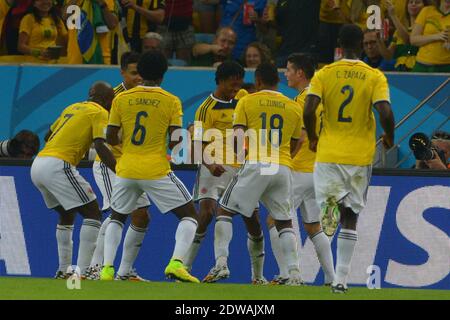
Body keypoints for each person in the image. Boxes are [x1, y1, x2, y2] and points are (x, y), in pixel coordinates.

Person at [304, 24, 395, 293]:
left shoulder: (324, 74)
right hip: (359, 156)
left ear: (339, 45)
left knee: (329, 209)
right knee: (351, 216)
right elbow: (385, 111)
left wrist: (312, 135)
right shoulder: (373, 75)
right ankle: (341, 280)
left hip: (329, 153)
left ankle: (330, 206)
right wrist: (389, 137)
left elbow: (309, 108)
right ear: (360, 45)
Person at [100, 50, 200, 283]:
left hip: (125, 168)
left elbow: (111, 136)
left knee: (117, 217)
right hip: (155, 168)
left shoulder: (121, 99)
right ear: (163, 75)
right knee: (189, 216)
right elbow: (176, 142)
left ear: (140, 73)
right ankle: (176, 263)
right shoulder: (171, 100)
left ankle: (106, 269)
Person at [205, 62, 305, 286]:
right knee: (284, 221)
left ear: (257, 81)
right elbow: (298, 139)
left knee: (224, 210)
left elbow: (238, 135)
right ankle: (295, 273)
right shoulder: (293, 106)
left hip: (257, 163)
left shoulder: (247, 101)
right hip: (282, 166)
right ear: (277, 82)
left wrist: (242, 161)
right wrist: (284, 158)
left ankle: (221, 263)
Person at [30, 82, 117, 279]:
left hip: (38, 164)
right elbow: (100, 146)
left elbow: (48, 135)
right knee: (93, 212)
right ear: (108, 100)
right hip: (58, 165)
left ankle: (63, 270)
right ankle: (83, 272)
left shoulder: (72, 107)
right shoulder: (100, 112)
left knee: (67, 214)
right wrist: (118, 170)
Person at [184, 61, 260, 281]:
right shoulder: (205, 109)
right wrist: (209, 164)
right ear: (220, 81)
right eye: (231, 84)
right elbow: (197, 144)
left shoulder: (243, 97)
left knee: (252, 219)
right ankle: (186, 266)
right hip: (213, 167)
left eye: (238, 84)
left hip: (240, 168)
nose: (235, 89)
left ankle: (258, 276)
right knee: (207, 214)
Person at [267, 53, 335, 285]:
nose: (285, 74)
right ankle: (331, 278)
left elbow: (300, 138)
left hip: (298, 170)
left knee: (275, 221)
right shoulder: (325, 99)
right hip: (320, 172)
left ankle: (287, 274)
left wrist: (285, 159)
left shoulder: (301, 102)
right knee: (314, 226)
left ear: (300, 73)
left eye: (288, 69)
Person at [86, 51, 151, 281]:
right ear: (122, 72)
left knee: (142, 216)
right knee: (117, 212)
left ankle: (125, 271)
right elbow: (99, 136)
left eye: (141, 73)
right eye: (133, 73)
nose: (138, 78)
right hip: (109, 164)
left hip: (133, 166)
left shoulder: (147, 96)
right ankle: (94, 267)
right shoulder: (110, 99)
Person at [377, 0, 429, 71]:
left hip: (418, 70)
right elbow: (388, 56)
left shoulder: (427, 29)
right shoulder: (398, 32)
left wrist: (393, 15)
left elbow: (408, 40)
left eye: (417, 2)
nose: (413, 4)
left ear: (425, 7)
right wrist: (379, 41)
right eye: (411, 2)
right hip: (401, 72)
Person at [410, 0, 450, 72]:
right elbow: (413, 40)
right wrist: (436, 36)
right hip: (422, 66)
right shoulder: (427, 11)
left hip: (446, 67)